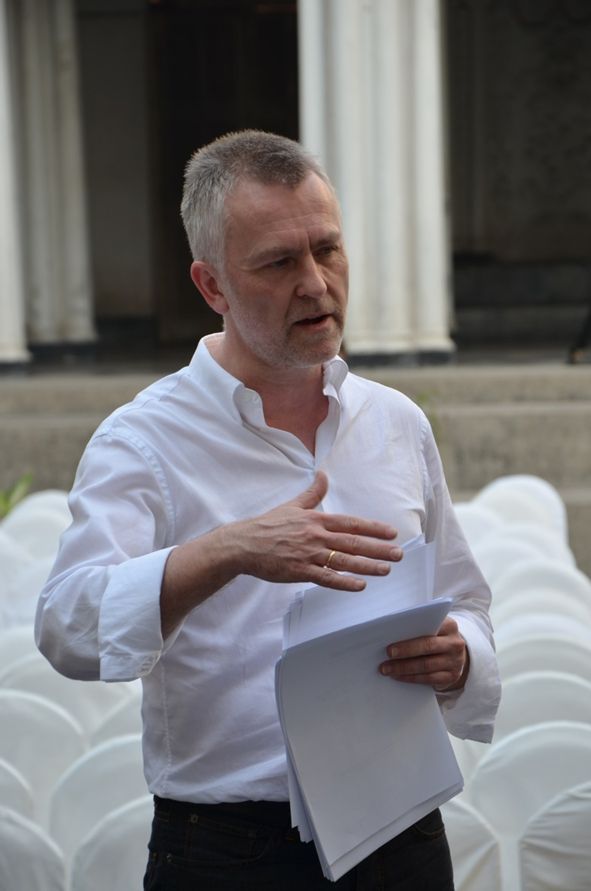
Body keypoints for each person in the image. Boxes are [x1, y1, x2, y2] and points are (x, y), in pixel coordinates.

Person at [36, 130, 501, 890]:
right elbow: (65, 628)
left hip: (404, 831)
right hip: (228, 850)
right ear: (211, 285)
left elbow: (470, 602)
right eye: (280, 263)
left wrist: (458, 658)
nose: (317, 283)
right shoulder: (142, 438)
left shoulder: (395, 421)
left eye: (328, 249)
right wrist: (225, 551)